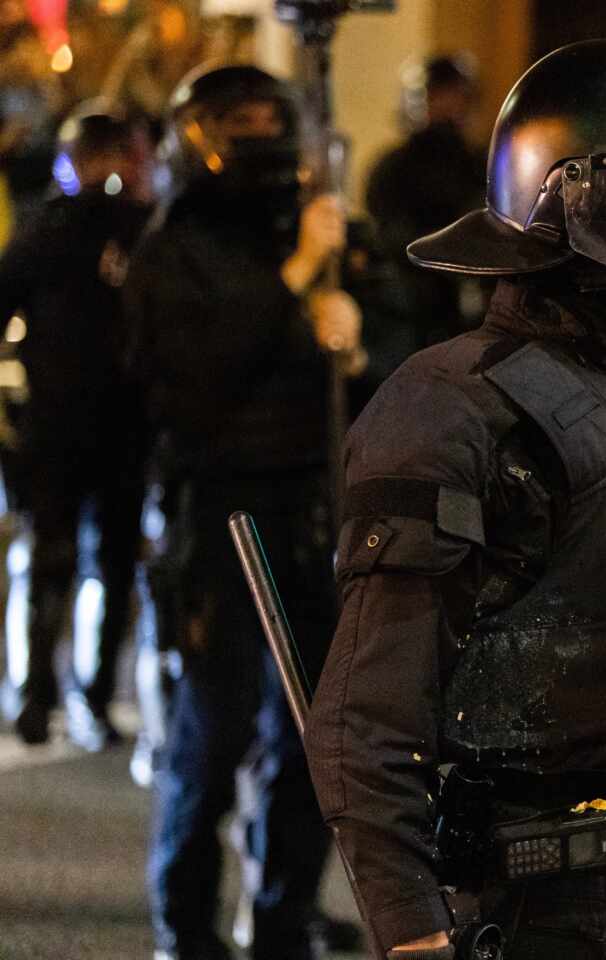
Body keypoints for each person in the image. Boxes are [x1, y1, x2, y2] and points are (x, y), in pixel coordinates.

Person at [303, 39, 606, 960]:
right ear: (565, 209)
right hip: (542, 904)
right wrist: (412, 929)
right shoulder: (453, 407)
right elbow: (363, 718)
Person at [126, 63, 363, 960]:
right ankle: (184, 927)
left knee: (313, 733)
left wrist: (346, 321)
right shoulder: (169, 252)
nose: (262, 131)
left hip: (305, 507)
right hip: (217, 516)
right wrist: (298, 281)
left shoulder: (298, 227)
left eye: (272, 115)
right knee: (211, 735)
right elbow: (198, 380)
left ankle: (281, 911)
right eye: (241, 118)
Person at [0, 100, 151, 748]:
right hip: (90, 422)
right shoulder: (128, 227)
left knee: (74, 560)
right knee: (85, 561)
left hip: (83, 422)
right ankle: (59, 697)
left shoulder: (62, 226)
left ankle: (55, 698)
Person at [364, 53, 489, 356]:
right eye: (437, 96)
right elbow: (387, 232)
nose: (447, 106)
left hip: (472, 301)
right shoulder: (392, 167)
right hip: (411, 301)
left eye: (455, 96)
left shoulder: (483, 164)